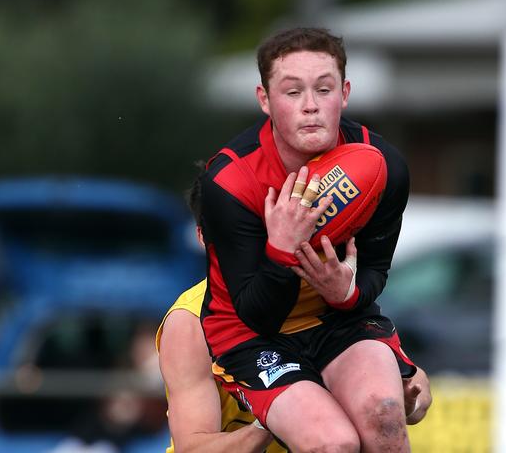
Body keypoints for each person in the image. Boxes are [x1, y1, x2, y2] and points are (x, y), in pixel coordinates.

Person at [199, 27, 418, 452]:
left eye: (324, 88)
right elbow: (255, 312)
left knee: (385, 416)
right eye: (292, 92)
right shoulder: (230, 181)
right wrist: (281, 248)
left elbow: (376, 270)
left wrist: (347, 292)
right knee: (331, 444)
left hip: (338, 319)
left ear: (346, 93)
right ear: (265, 100)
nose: (311, 106)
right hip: (252, 332)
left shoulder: (382, 166)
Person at [155, 169, 432, 453]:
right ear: (204, 238)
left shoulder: (316, 287)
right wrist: (272, 415)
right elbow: (194, 448)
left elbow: (417, 386)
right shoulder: (190, 322)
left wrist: (405, 403)